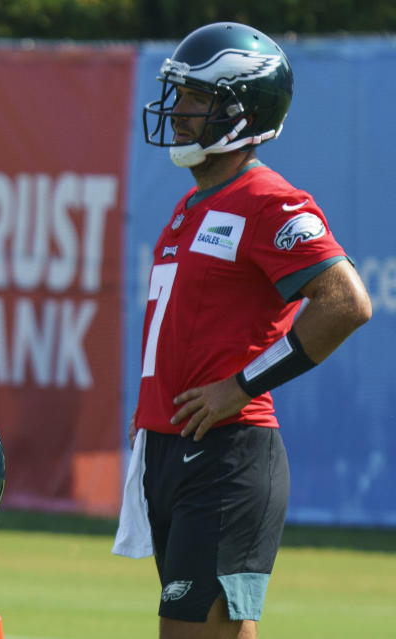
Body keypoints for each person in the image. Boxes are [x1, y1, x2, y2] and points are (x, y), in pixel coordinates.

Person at [113, 22, 372, 639]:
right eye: (178, 94)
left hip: (228, 451)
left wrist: (241, 384)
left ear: (242, 110)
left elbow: (346, 302)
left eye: (196, 98)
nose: (177, 111)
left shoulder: (269, 199)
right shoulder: (191, 204)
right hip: (173, 446)